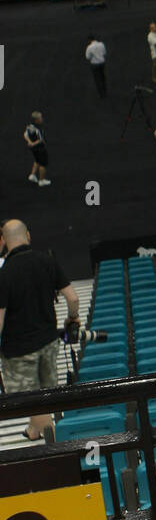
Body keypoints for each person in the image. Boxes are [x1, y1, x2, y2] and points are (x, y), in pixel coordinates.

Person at [0, 218, 81, 440]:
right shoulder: (47, 261)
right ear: (28, 236)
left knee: (30, 400)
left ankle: (56, 443)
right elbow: (73, 298)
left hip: (18, 351)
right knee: (46, 392)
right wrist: (71, 319)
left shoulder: (4, 274)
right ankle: (34, 430)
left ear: (4, 242)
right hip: (48, 342)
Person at [24, 111, 51, 186]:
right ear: (36, 120)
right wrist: (33, 143)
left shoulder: (29, 126)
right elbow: (41, 139)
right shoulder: (38, 129)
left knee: (37, 160)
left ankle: (32, 175)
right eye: (40, 118)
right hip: (40, 149)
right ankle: (41, 180)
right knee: (43, 163)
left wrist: (29, 141)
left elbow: (25, 134)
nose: (42, 119)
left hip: (34, 150)